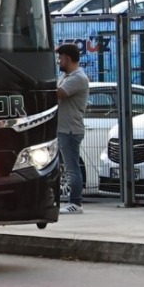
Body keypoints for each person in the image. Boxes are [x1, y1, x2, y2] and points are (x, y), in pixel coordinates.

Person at [54, 43, 90, 214]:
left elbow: (58, 94)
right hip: (61, 129)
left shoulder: (78, 78)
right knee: (60, 167)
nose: (59, 61)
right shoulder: (66, 76)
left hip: (70, 131)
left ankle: (76, 203)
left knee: (71, 168)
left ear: (68, 58)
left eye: (60, 58)